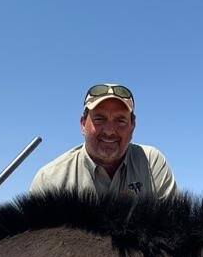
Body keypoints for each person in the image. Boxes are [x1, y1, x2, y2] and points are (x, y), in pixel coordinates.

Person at [30, 83, 178, 199]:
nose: (109, 131)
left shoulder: (152, 162)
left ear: (133, 126)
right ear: (83, 123)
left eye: (120, 120)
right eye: (99, 119)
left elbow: (173, 228)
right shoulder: (49, 180)